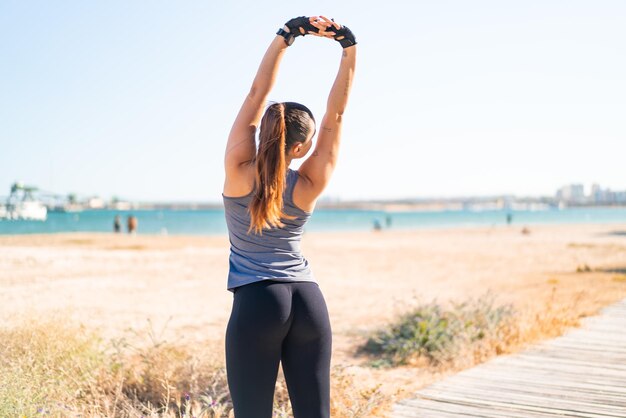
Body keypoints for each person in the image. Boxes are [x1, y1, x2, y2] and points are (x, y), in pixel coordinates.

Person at [222, 15, 356, 418]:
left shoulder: (238, 168)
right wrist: (348, 48)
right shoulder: (309, 182)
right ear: (301, 148)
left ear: (263, 132)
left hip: (258, 300)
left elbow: (255, 93)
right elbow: (336, 118)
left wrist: (286, 36)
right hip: (309, 300)